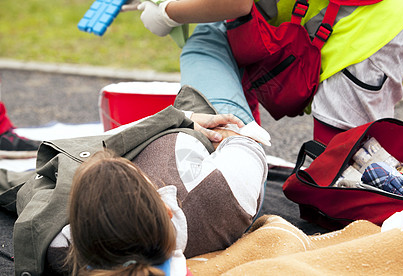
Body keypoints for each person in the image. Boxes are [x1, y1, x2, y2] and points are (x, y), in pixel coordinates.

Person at [114, 0, 403, 144]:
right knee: (212, 40)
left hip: (375, 26)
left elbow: (234, 0)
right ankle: (239, 144)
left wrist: (167, 14)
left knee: (337, 177)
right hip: (353, 8)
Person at [10, 86, 268, 275]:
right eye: (135, 168)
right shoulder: (222, 192)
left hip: (184, 128)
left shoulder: (58, 247)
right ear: (166, 210)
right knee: (205, 45)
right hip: (218, 133)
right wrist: (197, 123)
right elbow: (249, 139)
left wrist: (179, 118)